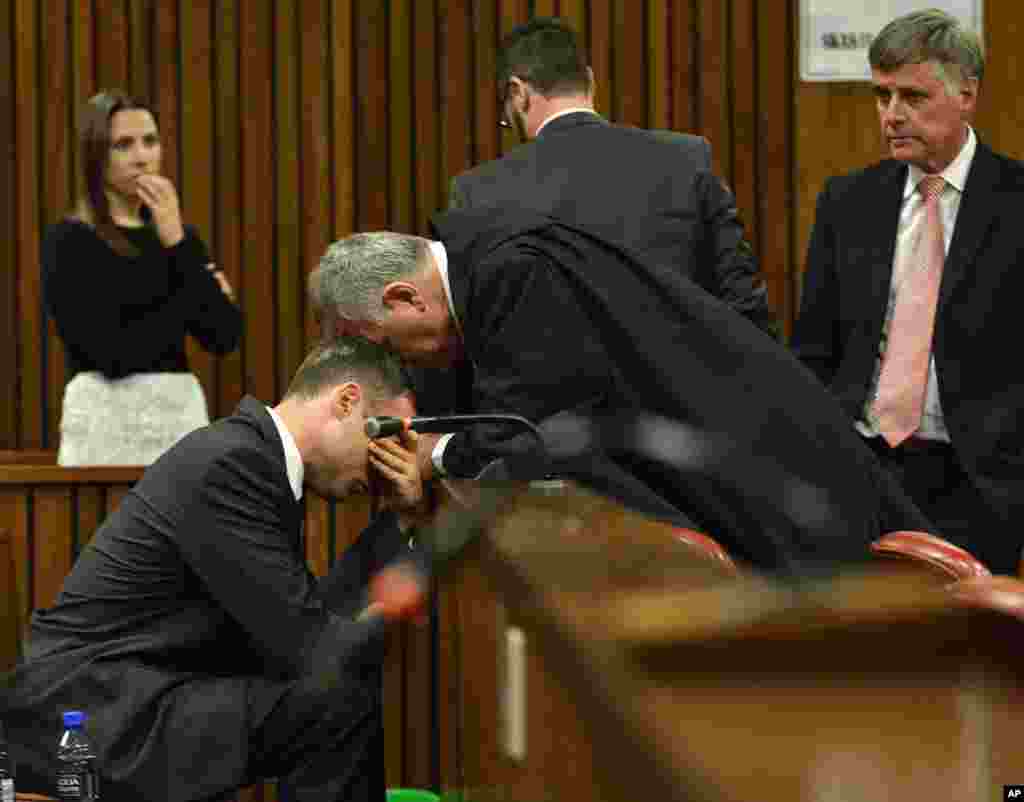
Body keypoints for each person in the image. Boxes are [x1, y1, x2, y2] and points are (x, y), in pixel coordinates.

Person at [309, 211, 935, 578]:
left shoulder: (509, 274)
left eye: (385, 342)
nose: (396, 360)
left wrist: (436, 455)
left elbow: (536, 427)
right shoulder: (485, 265)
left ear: (403, 298)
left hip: (757, 448)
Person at [1, 338, 430, 802]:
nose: (386, 461)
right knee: (338, 700)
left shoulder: (255, 459)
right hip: (93, 716)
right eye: (387, 436)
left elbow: (309, 621)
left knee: (335, 690)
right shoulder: (234, 464)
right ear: (347, 402)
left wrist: (398, 518)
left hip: (135, 696)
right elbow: (313, 645)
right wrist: (396, 610)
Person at [791, 9, 1023, 573]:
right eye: (881, 96)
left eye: (913, 97)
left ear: (966, 95)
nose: (891, 115)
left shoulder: (1017, 203)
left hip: (978, 483)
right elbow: (815, 350)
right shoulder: (848, 201)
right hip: (860, 470)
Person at [449, 17, 778, 339]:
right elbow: (744, 304)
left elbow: (477, 329)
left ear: (518, 92)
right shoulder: (687, 159)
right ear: (590, 82)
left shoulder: (477, 192)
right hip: (674, 390)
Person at [42, 88, 241, 466]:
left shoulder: (180, 239)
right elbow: (106, 351)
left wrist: (176, 243)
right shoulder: (70, 240)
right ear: (96, 156)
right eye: (123, 145)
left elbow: (223, 335)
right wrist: (188, 295)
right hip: (105, 420)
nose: (142, 158)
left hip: (177, 418)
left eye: (150, 141)